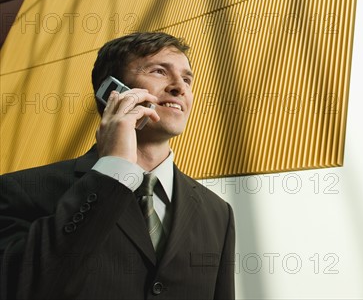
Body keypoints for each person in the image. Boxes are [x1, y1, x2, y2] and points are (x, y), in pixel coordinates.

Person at [0, 32, 235, 299]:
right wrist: (114, 170)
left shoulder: (218, 213)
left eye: (187, 79)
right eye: (159, 71)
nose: (179, 87)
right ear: (113, 91)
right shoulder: (20, 190)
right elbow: (20, 287)